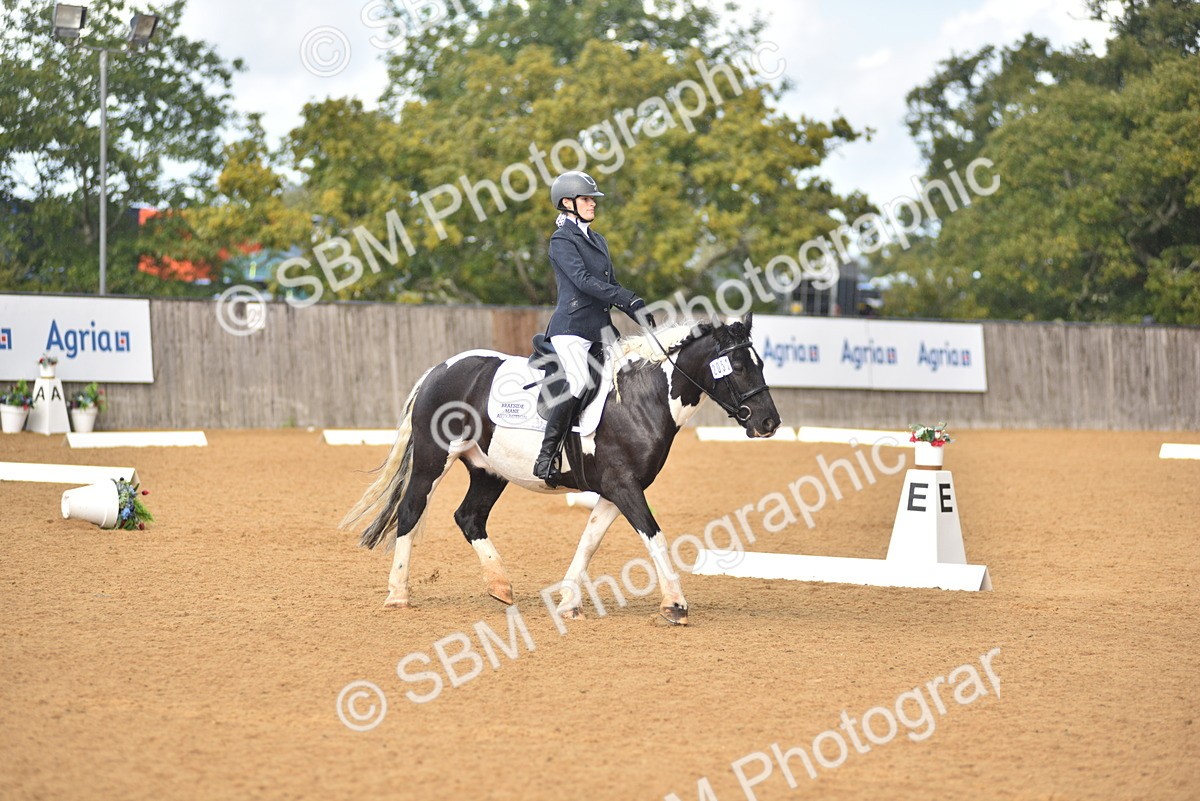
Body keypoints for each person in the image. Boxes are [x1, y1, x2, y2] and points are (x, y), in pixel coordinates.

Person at [532, 170, 656, 485]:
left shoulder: (598, 240)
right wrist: (625, 297)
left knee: (626, 377)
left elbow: (609, 283)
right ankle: (547, 455)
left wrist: (635, 308)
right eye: (587, 199)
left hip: (601, 329)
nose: (593, 204)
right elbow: (584, 282)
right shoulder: (561, 239)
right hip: (572, 328)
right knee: (577, 381)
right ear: (567, 203)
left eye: (592, 199)